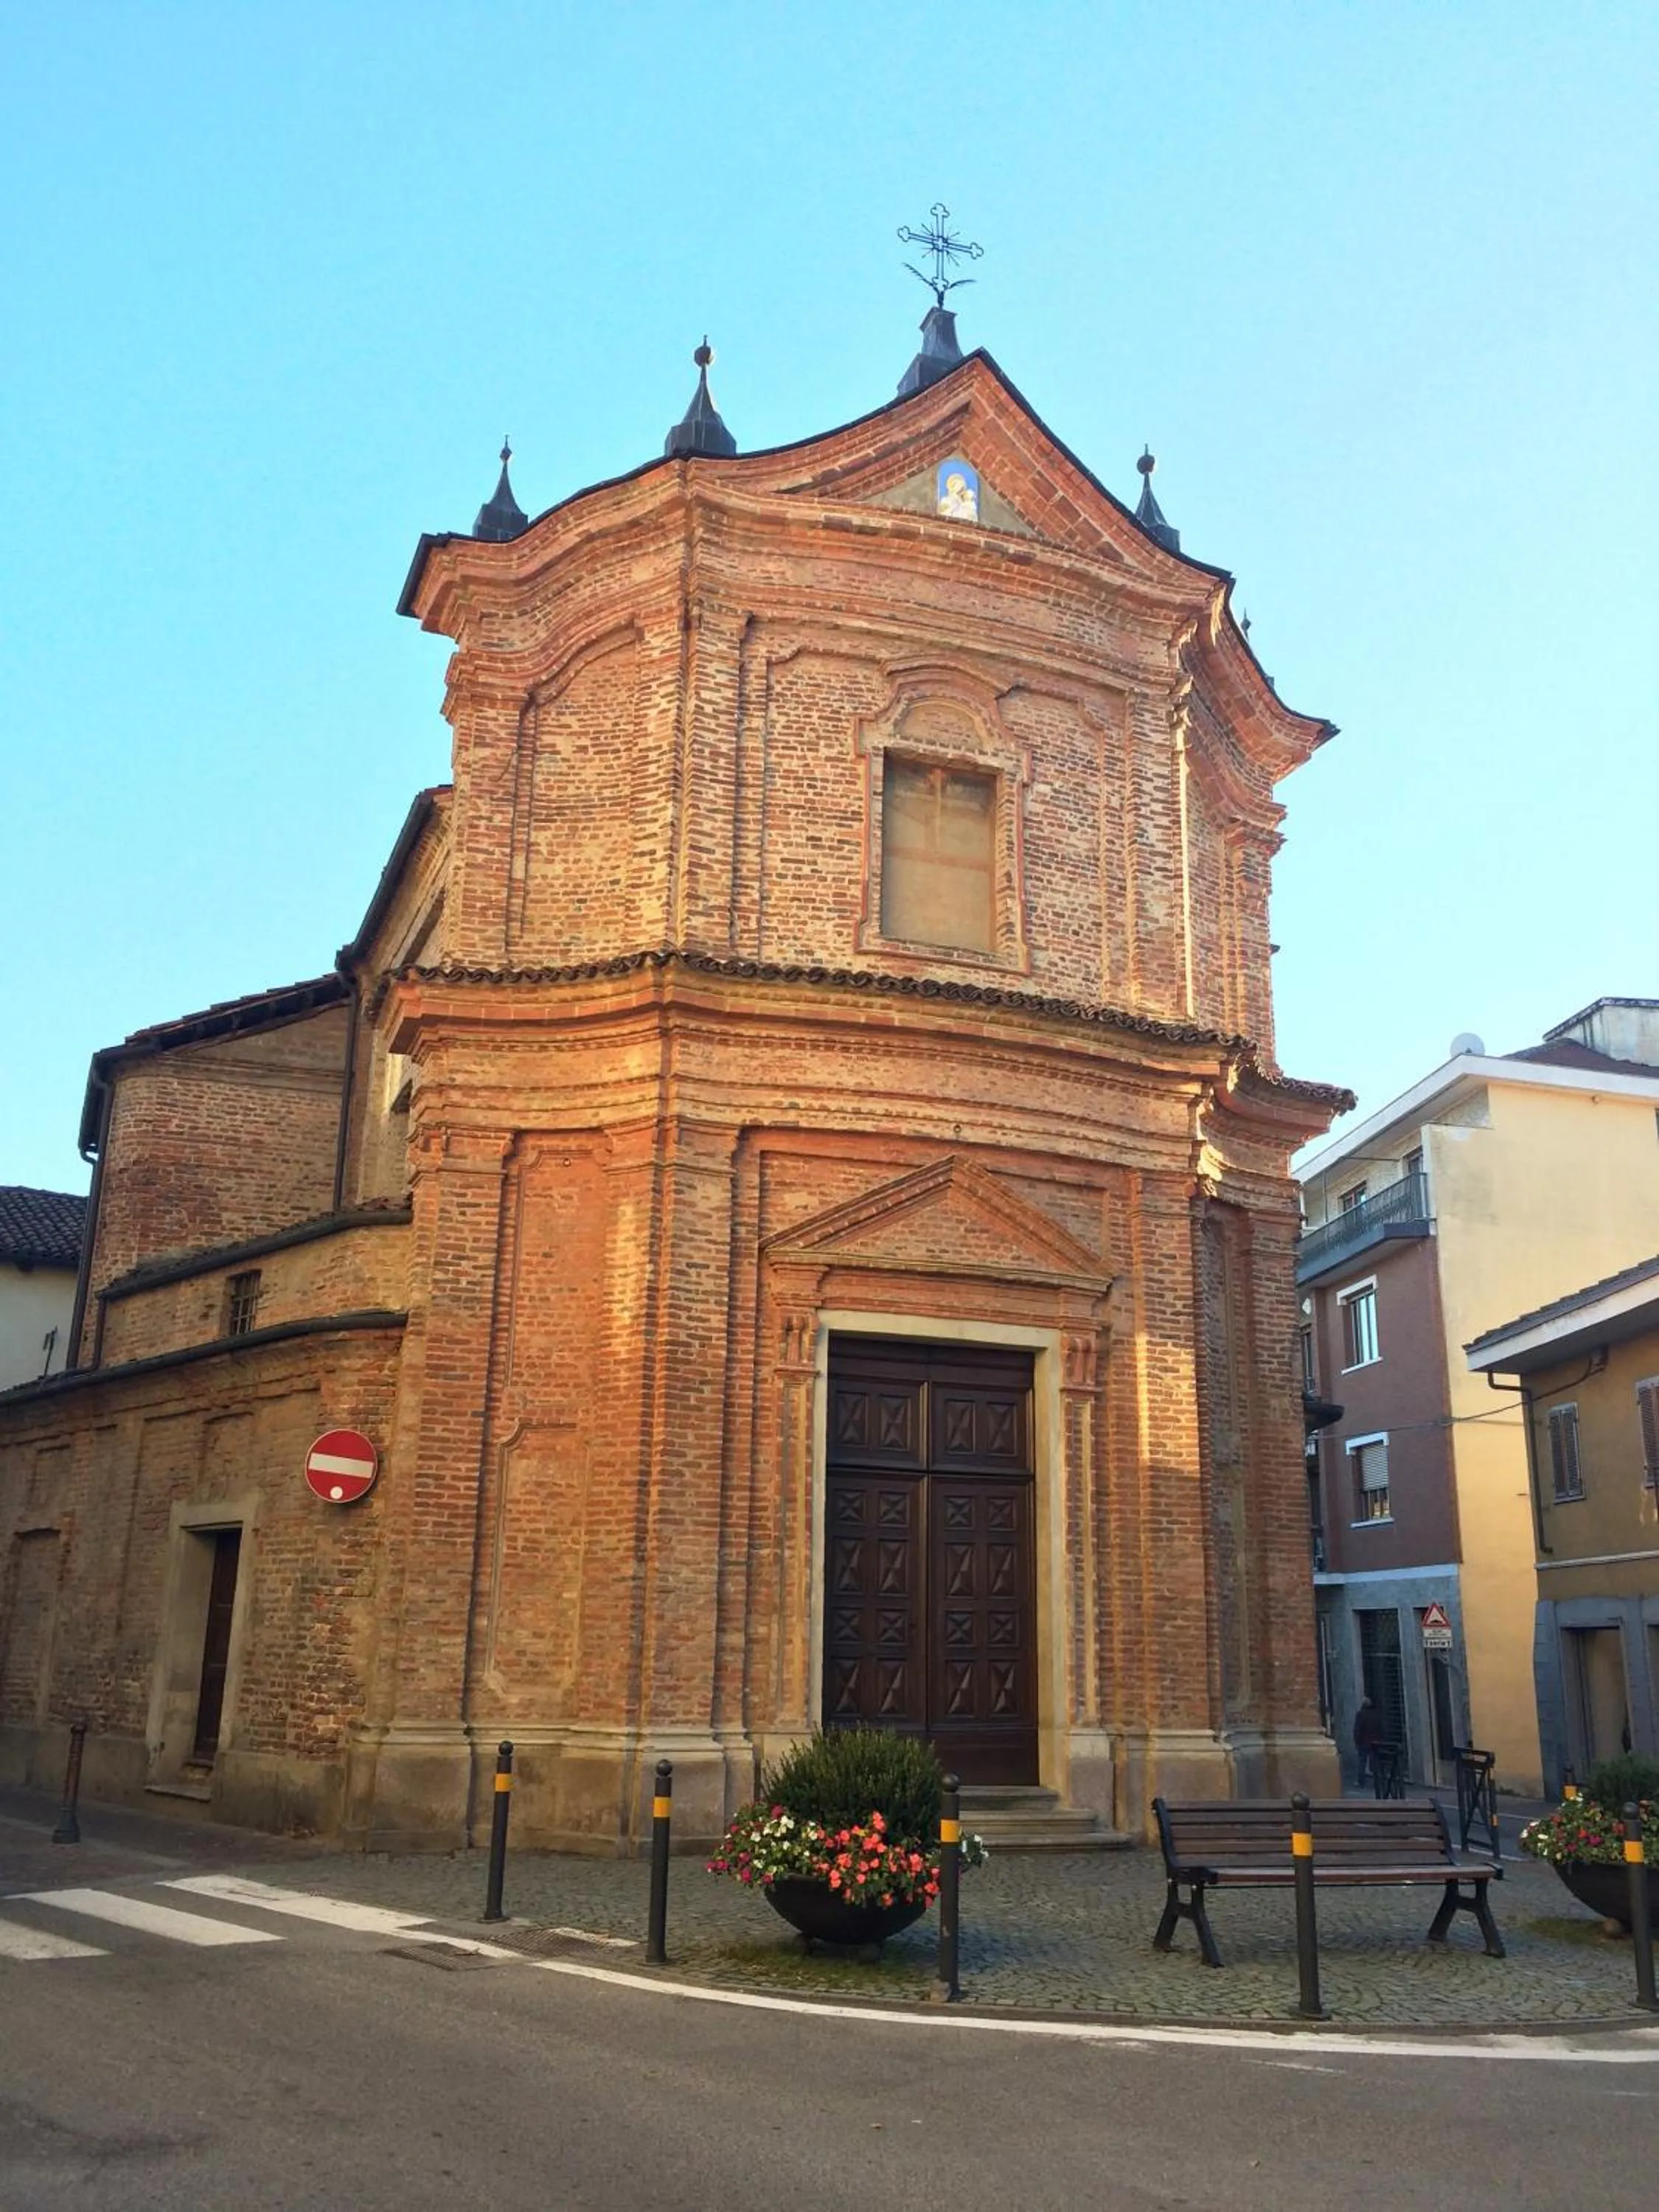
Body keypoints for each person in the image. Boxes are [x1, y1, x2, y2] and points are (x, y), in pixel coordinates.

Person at [1352, 1697, 1384, 1788]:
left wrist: (1357, 1741)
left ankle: (1361, 1781)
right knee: (1375, 1761)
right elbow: (1381, 1728)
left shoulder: (1361, 1715)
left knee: (1362, 1761)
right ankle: (1378, 1780)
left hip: (1364, 1741)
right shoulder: (1376, 1714)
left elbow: (1357, 1729)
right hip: (1375, 1742)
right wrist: (1381, 1739)